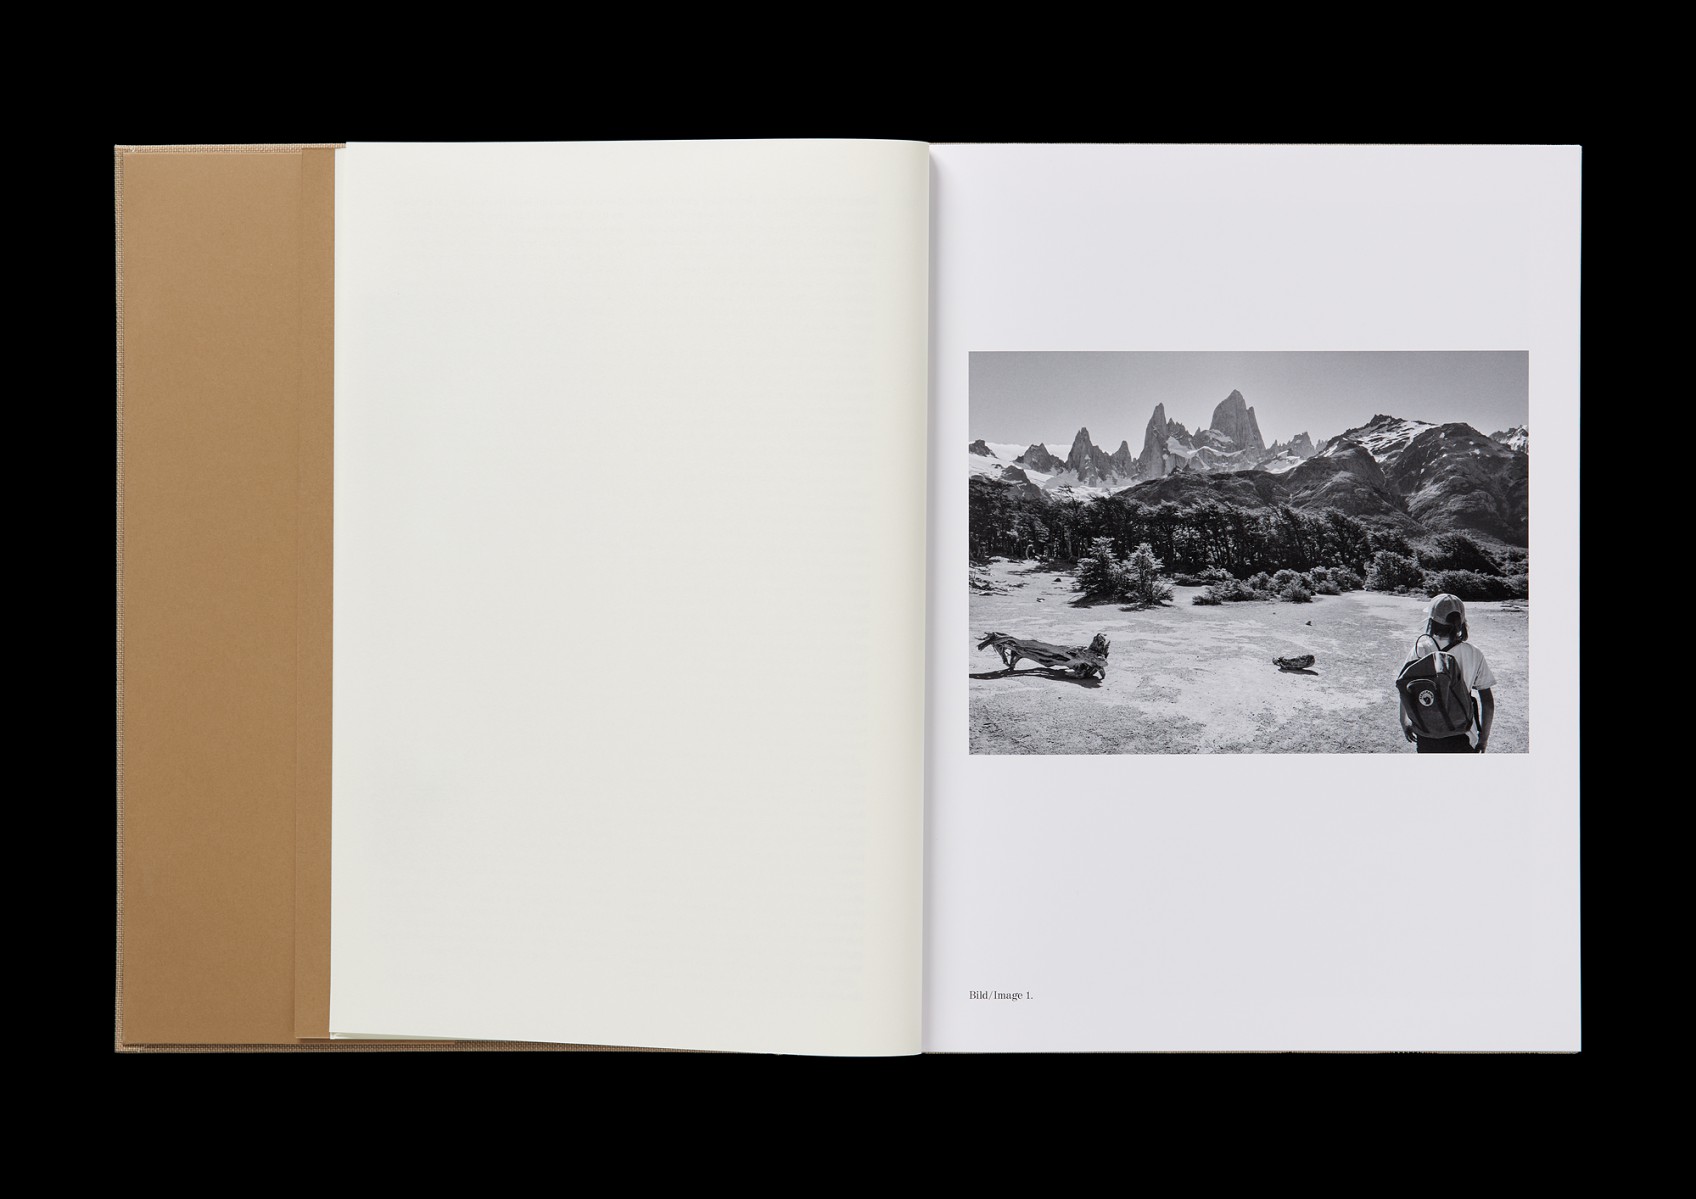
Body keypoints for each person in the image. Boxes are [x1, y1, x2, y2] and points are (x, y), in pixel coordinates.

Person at [1400, 593, 1495, 753]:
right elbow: (1487, 702)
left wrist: (1404, 721)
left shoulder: (1420, 649)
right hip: (1464, 732)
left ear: (1431, 620)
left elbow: (1406, 688)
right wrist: (1483, 738)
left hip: (1427, 730)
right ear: (1461, 621)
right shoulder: (1473, 653)